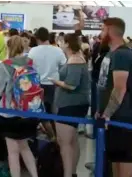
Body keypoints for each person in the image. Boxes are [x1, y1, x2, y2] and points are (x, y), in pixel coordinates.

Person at [97, 17, 132, 177]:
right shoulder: (111, 54)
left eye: (102, 29)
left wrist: (107, 113)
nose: (100, 33)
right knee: (114, 159)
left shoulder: (122, 55)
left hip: (121, 116)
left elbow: (120, 88)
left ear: (110, 31)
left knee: (123, 160)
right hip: (111, 116)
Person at [0, 36, 39, 177]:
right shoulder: (30, 62)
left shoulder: (5, 64)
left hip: (9, 111)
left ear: (8, 47)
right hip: (28, 109)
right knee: (25, 147)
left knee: (12, 151)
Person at [52, 33, 90, 177]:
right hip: (75, 104)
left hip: (70, 105)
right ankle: (72, 172)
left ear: (67, 43)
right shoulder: (77, 58)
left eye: (61, 42)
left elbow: (71, 85)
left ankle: (68, 173)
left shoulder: (74, 60)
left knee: (65, 142)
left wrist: (55, 81)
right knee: (72, 140)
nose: (59, 44)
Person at [29, 27, 67, 138]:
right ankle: (57, 136)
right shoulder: (57, 50)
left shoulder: (33, 51)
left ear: (37, 38)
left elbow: (29, 68)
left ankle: (50, 136)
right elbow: (64, 67)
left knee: (39, 111)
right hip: (54, 85)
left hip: (37, 85)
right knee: (54, 112)